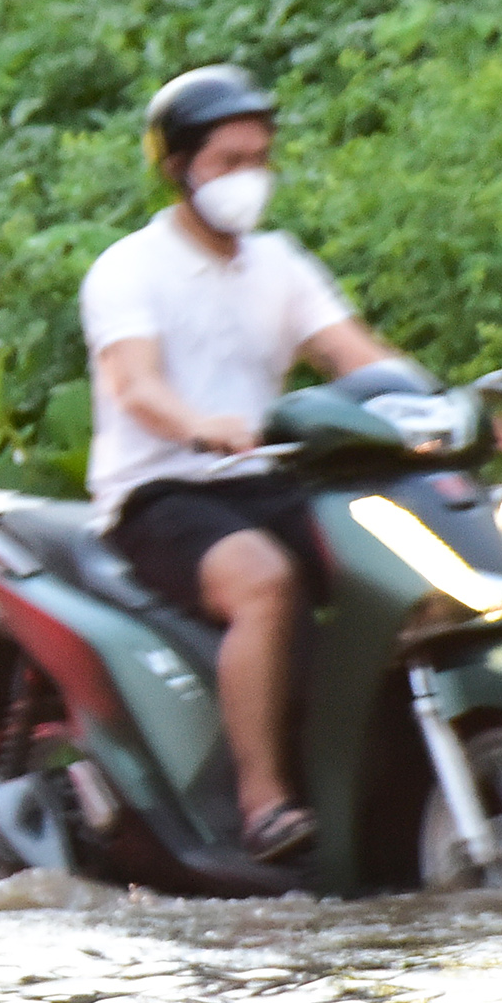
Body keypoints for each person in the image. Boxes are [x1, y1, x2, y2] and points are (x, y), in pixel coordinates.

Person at [82, 64, 410, 863]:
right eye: (229, 161)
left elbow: (354, 354)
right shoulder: (129, 267)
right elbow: (135, 385)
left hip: (271, 478)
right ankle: (263, 799)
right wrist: (198, 425)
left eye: (258, 159)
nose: (248, 178)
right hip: (161, 492)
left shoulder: (280, 262)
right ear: (177, 167)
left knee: (400, 566)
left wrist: (441, 408)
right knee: (263, 579)